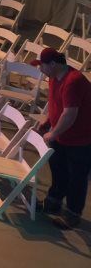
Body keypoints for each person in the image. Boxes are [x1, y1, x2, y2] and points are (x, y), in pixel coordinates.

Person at [34, 47, 91, 229]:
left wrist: (53, 133)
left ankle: (73, 214)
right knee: (59, 170)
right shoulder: (53, 77)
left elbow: (70, 114)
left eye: (42, 65)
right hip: (62, 135)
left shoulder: (73, 81)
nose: (40, 69)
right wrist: (46, 123)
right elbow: (56, 105)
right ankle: (53, 202)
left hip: (81, 139)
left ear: (53, 64)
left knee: (77, 178)